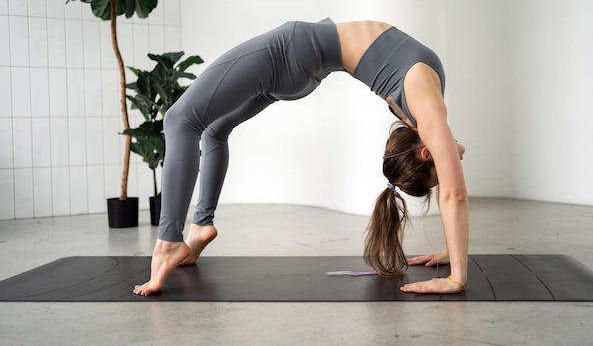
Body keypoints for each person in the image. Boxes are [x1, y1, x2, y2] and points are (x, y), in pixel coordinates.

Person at [133, 18, 468, 296]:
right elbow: (454, 163)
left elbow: (455, 194)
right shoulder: (426, 114)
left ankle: (168, 242)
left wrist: (456, 277)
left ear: (426, 151)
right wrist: (452, 254)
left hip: (292, 52)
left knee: (179, 120)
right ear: (427, 150)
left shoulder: (426, 108)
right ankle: (202, 224)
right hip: (304, 69)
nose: (453, 160)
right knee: (215, 130)